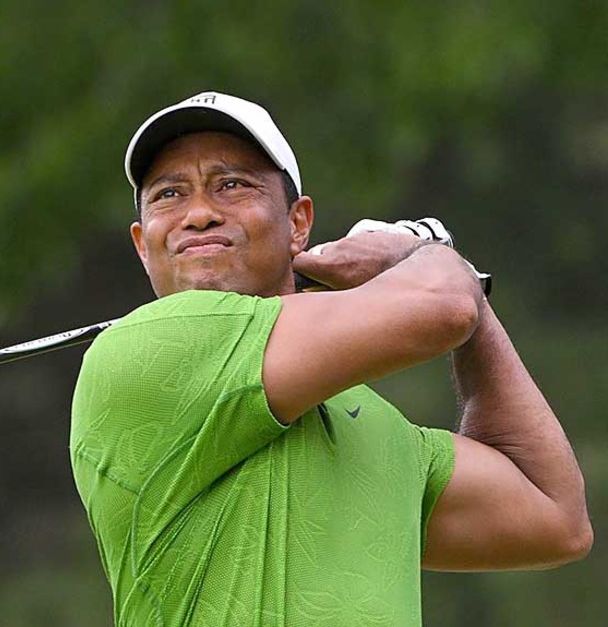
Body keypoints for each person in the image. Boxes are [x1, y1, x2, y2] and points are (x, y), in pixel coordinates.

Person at [69, 91, 593, 626]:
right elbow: (445, 306)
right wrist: (430, 255)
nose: (199, 214)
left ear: (298, 224)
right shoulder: (147, 347)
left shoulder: (384, 430)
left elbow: (555, 516)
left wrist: (460, 291)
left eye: (232, 185)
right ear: (142, 243)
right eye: (168, 195)